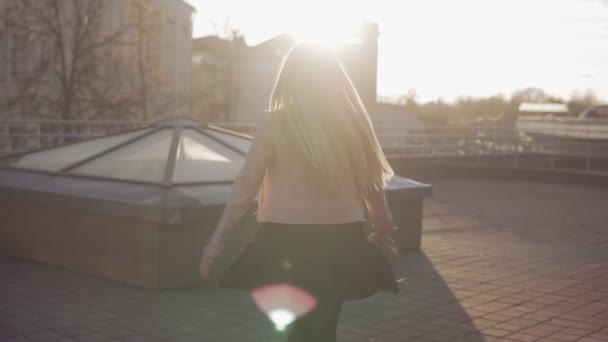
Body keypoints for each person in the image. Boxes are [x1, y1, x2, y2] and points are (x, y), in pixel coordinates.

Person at [200, 42, 400, 342]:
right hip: (341, 242)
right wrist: (383, 232)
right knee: (321, 326)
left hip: (283, 243)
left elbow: (244, 188)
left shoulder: (275, 122)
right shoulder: (353, 124)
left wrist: (214, 247)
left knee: (304, 328)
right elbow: (372, 185)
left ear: (290, 77)